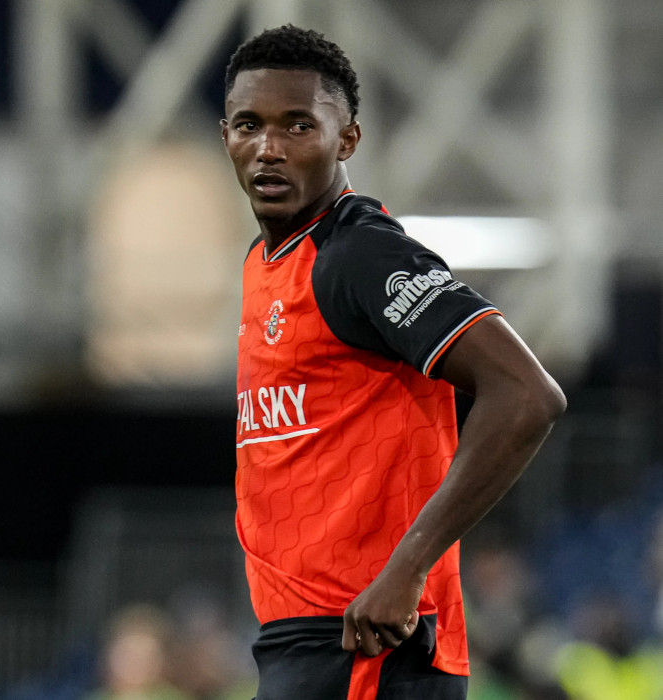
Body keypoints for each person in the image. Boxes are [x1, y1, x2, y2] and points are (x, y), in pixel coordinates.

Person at [221, 24, 566, 700]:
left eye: (298, 126)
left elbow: (527, 394)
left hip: (371, 641)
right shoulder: (266, 263)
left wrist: (407, 569)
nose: (269, 147)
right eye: (248, 125)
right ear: (225, 135)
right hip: (300, 641)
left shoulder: (361, 255)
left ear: (347, 139)